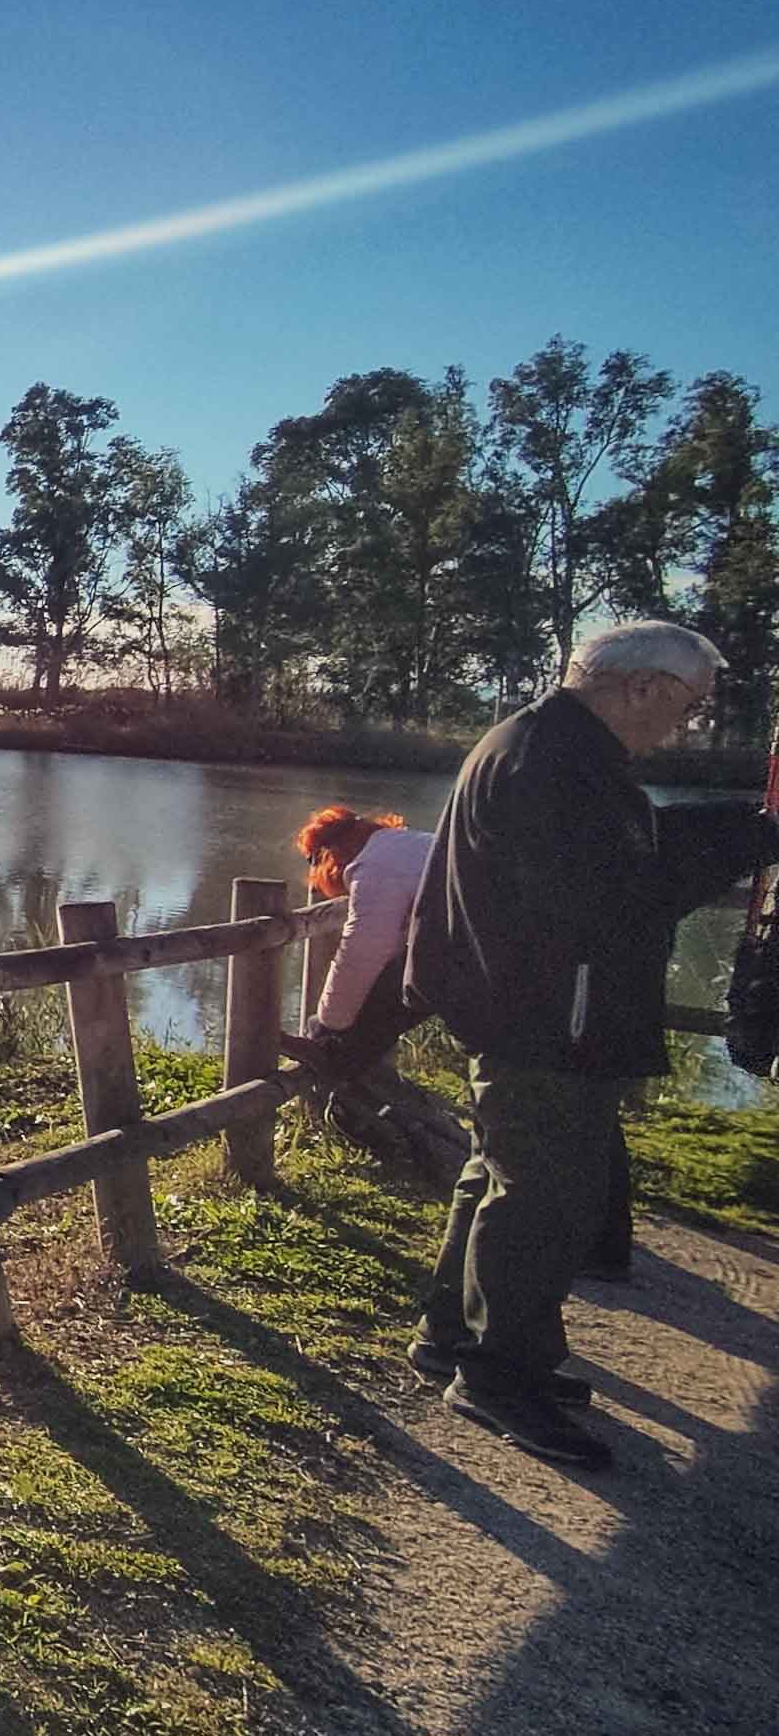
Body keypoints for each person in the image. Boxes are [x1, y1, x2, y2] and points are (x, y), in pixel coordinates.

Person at [404, 620, 779, 1469]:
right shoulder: (554, 762)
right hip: (547, 1015)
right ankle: (501, 1375)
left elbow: (628, 852)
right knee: (547, 1196)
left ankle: (450, 1335)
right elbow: (617, 893)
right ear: (640, 686)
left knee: (496, 1171)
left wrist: (743, 829)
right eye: (686, 706)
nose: (684, 725)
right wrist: (736, 843)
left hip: (522, 1006)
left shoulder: (545, 743)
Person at [294, 804, 433, 1076]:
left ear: (329, 854)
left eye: (313, 861)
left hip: (472, 951)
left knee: (353, 1031)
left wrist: (327, 1023)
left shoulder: (376, 866)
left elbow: (363, 952)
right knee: (398, 988)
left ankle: (331, 1061)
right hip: (488, 943)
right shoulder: (408, 845)